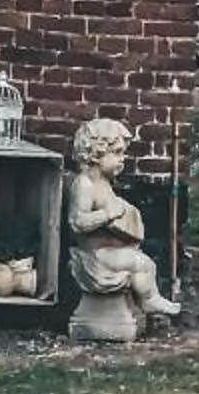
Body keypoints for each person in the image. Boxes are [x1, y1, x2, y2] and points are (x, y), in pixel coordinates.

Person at [68, 117, 181, 333]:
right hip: (94, 256)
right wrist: (106, 214)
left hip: (107, 251)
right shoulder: (84, 185)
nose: (122, 159)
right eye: (117, 153)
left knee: (144, 263)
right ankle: (150, 299)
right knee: (142, 264)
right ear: (96, 152)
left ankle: (148, 300)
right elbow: (77, 222)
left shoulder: (104, 184)